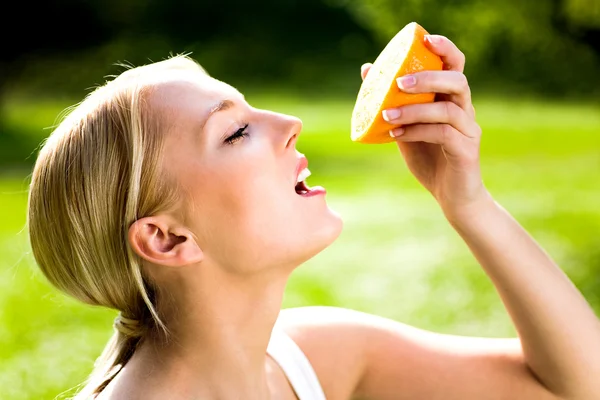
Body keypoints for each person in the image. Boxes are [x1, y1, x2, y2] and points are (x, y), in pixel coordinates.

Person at [27, 32, 600, 400]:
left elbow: (575, 386)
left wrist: (467, 201)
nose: (290, 122)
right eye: (237, 131)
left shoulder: (317, 358)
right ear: (167, 237)